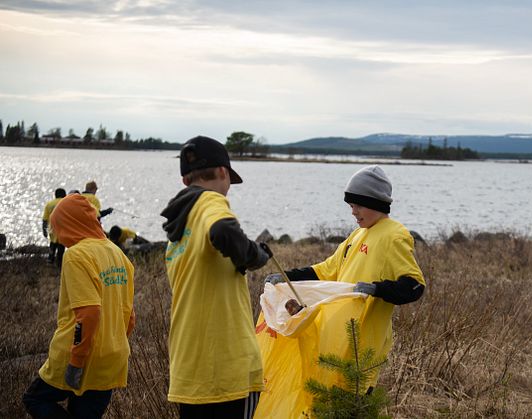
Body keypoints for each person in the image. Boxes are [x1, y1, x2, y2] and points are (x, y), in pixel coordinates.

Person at [263, 165, 425, 394]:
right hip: (336, 341)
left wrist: (377, 289)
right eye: (351, 206)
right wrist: (286, 277)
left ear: (374, 202)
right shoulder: (357, 234)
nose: (353, 212)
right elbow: (325, 270)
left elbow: (415, 286)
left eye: (358, 205)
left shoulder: (394, 236)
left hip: (364, 347)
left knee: (354, 404)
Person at [160, 135, 271, 418]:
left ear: (185, 180)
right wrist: (255, 255)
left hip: (189, 367)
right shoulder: (211, 201)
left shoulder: (177, 230)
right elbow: (223, 231)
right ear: (224, 173)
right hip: (227, 365)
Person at [22, 194, 136, 419]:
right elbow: (129, 316)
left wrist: (76, 362)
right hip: (112, 358)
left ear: (69, 225)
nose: (59, 236)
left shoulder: (76, 255)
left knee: (35, 399)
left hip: (77, 358)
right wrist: (111, 344)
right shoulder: (119, 255)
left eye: (58, 228)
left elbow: (89, 313)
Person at [42, 187, 66, 266]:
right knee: (61, 246)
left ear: (55, 195)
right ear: (64, 195)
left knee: (52, 244)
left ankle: (50, 260)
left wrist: (44, 230)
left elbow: (45, 219)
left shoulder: (49, 204)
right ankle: (59, 263)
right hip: (63, 228)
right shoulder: (65, 202)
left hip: (52, 228)